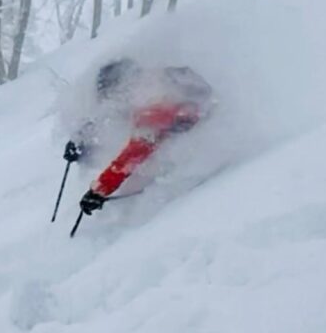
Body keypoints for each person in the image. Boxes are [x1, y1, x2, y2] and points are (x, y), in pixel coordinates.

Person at [63, 58, 213, 216]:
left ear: (122, 89)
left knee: (146, 171)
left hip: (197, 150)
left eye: (113, 97)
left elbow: (132, 156)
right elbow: (110, 114)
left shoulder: (151, 110)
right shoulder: (156, 82)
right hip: (195, 125)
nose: (114, 104)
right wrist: (82, 139)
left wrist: (99, 191)